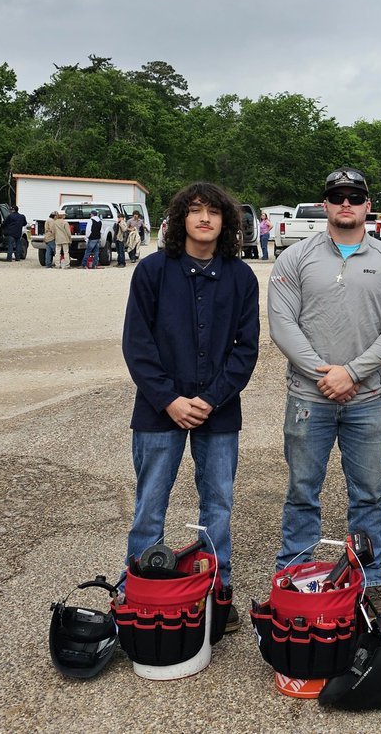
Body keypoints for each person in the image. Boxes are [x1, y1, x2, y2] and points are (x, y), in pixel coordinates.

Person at [268, 167, 381, 621]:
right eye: (337, 197)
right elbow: (281, 323)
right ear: (325, 204)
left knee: (368, 494)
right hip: (308, 399)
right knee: (301, 491)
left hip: (368, 400)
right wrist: (322, 375)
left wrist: (351, 372)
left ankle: (370, 583)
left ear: (369, 204)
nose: (346, 204)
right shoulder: (295, 258)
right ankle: (294, 575)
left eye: (355, 196)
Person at [122, 182, 259, 632]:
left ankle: (218, 593)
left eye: (214, 212)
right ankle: (138, 591)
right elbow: (138, 345)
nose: (205, 218)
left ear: (226, 222)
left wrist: (210, 398)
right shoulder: (152, 271)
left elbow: (245, 350)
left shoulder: (241, 278)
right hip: (158, 410)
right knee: (150, 505)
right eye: (195, 210)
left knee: (217, 505)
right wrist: (170, 399)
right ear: (180, 219)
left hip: (218, 412)